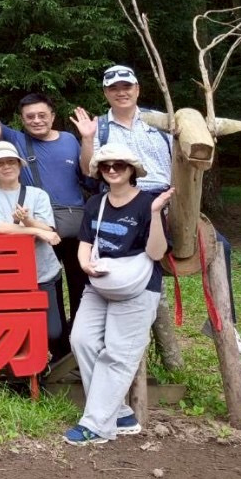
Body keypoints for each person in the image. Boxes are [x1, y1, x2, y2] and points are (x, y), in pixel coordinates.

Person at [74, 64, 241, 355]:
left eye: (126, 86)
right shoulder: (100, 127)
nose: (121, 92)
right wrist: (88, 139)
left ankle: (222, 322)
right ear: (106, 92)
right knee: (133, 257)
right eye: (114, 87)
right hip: (123, 199)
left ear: (137, 89)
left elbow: (185, 155)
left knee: (219, 246)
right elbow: (88, 170)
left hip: (166, 197)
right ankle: (111, 333)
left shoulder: (161, 122)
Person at [64, 145, 173, 445]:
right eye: (106, 165)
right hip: (100, 282)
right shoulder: (96, 202)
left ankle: (97, 425)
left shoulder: (148, 203)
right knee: (82, 340)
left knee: (118, 352)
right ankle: (120, 413)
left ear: (132, 169)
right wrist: (84, 263)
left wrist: (155, 214)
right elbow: (86, 242)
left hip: (138, 285)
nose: (112, 170)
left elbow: (157, 253)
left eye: (119, 165)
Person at [0, 56, 86, 331]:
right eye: (30, 117)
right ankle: (57, 340)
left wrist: (90, 138)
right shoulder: (17, 141)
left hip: (73, 225)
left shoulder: (70, 139)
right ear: (22, 120)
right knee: (48, 282)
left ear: (52, 116)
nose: (36, 120)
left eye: (42, 115)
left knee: (81, 284)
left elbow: (87, 173)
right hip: (37, 223)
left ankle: (80, 337)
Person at [0, 142, 64, 358]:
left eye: (11, 162)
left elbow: (49, 228)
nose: (6, 167)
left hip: (42, 270)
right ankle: (24, 370)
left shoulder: (37, 194)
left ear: (19, 165)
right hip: (7, 274)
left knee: (52, 331)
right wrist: (36, 231)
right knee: (14, 325)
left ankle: (42, 361)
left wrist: (28, 220)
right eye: (0, 163)